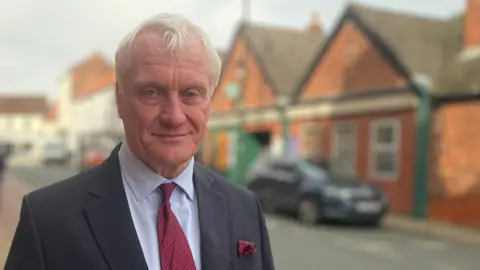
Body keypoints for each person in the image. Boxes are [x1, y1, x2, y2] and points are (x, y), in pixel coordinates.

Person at [5, 14, 274, 270]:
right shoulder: (48, 218)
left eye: (191, 94)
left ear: (210, 103)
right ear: (119, 99)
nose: (174, 116)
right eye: (151, 92)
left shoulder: (244, 208)